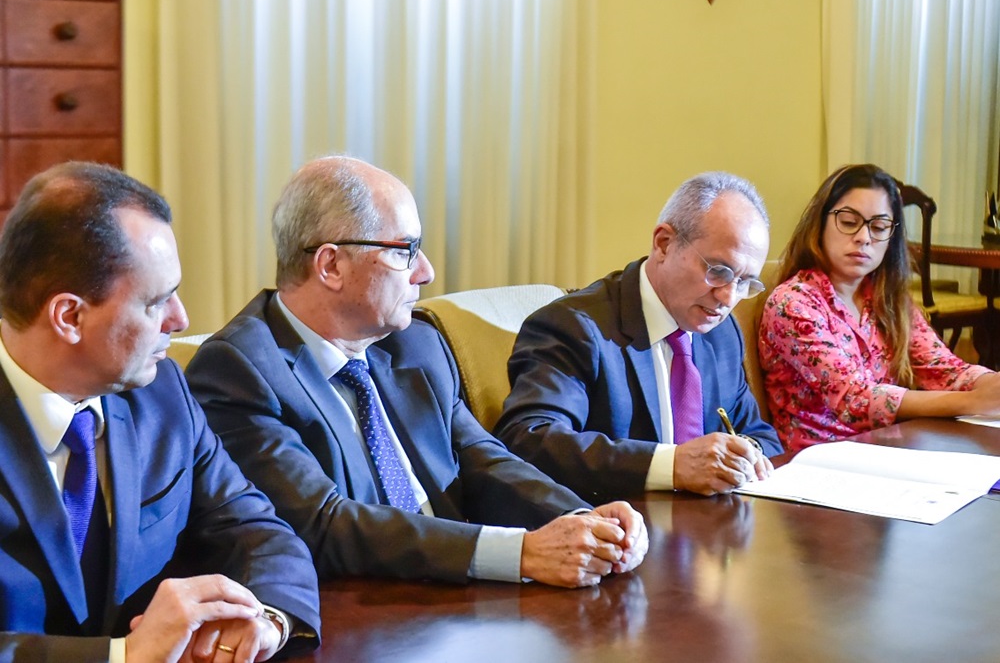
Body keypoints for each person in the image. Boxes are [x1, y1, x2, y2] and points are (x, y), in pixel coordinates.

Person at [185, 155, 647, 589]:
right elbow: (323, 524)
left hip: (457, 590)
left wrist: (581, 519)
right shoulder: (239, 369)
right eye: (405, 250)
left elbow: (481, 459)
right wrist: (521, 553)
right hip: (363, 608)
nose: (425, 271)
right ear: (331, 265)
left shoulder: (416, 341)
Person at [0, 162, 320, 662]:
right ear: (69, 316)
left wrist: (265, 619)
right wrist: (122, 656)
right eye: (156, 302)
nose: (181, 319)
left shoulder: (162, 392)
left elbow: (256, 531)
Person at [495, 172, 781, 502]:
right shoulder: (576, 327)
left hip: (709, 526)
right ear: (664, 243)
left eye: (745, 282)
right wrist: (672, 465)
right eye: (718, 271)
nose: (729, 297)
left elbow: (760, 436)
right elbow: (529, 439)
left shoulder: (722, 334)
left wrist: (747, 454)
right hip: (615, 523)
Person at [758, 163, 1000, 452]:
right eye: (849, 222)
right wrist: (973, 401)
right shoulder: (793, 303)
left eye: (879, 227)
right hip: (820, 459)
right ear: (820, 224)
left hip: (887, 447)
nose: (864, 237)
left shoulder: (888, 299)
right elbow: (854, 399)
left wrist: (988, 383)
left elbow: (941, 368)